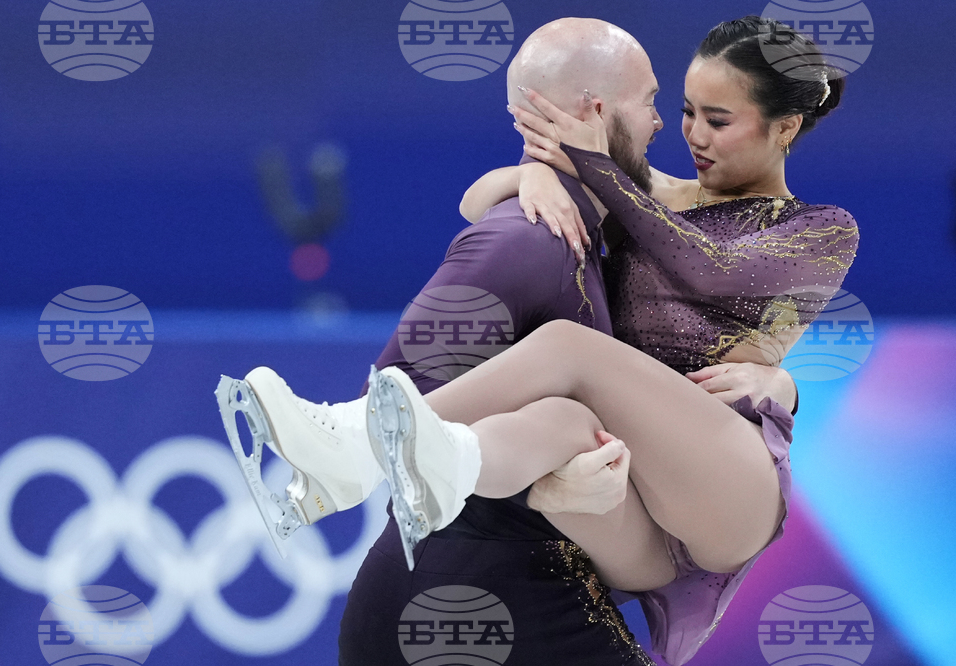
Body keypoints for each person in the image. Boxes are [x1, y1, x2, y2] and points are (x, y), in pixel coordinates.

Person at [217, 16, 847, 666]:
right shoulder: (646, 191)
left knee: (568, 350)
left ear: (785, 127)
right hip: (640, 515)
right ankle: (405, 465)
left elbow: (709, 267)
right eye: (685, 111)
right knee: (557, 419)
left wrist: (591, 168)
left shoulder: (824, 230)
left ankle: (352, 443)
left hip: (725, 481)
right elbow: (475, 199)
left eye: (717, 119)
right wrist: (535, 175)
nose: (688, 132)